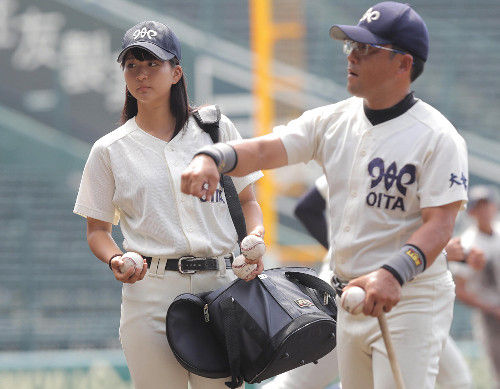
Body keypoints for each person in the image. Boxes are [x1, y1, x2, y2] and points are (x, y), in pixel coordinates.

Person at [180, 2, 469, 388]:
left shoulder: (437, 137)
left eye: (367, 49)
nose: (353, 56)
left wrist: (393, 273)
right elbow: (267, 148)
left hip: (409, 300)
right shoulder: (333, 120)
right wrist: (212, 156)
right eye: (352, 46)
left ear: (404, 64)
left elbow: (441, 225)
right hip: (347, 296)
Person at [73, 21, 264, 389]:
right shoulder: (110, 149)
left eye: (152, 64)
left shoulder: (215, 129)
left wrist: (254, 239)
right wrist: (115, 259)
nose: (141, 74)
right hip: (151, 293)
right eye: (132, 65)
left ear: (176, 72)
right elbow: (97, 230)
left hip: (221, 288)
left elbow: (248, 201)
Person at [264, 175, 473, 389]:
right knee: (296, 385)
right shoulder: (373, 159)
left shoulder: (367, 154)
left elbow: (307, 207)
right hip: (354, 295)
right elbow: (308, 208)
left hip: (401, 299)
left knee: (456, 379)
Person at [447, 185, 500, 389]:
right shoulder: (467, 244)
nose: (485, 211)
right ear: (472, 211)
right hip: (491, 317)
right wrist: (492, 309)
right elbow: (459, 289)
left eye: (488, 205)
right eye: (480, 207)